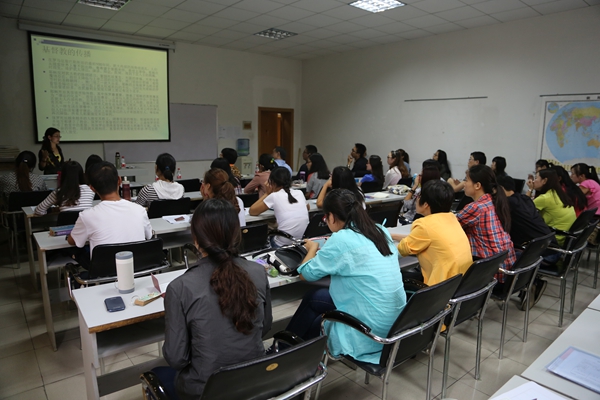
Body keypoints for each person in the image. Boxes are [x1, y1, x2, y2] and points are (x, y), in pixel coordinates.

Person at [158, 198, 272, 400]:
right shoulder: (258, 272)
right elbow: (264, 327)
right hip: (254, 383)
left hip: (206, 392)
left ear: (195, 239)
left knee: (159, 373)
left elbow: (176, 359)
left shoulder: (180, 288)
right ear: (236, 235)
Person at [283, 189, 406, 364]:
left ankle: (287, 354)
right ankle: (288, 351)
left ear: (332, 217)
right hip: (393, 324)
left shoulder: (341, 239)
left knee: (314, 317)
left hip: (368, 332)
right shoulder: (379, 230)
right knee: (315, 297)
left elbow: (305, 274)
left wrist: (312, 248)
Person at [67, 162, 152, 269]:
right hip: (137, 270)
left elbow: (72, 241)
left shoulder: (86, 216)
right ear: (119, 180)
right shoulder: (140, 210)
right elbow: (149, 235)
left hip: (103, 273)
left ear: (92, 188)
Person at [392, 180, 472, 286]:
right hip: (459, 284)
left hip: (438, 287)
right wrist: (392, 235)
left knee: (394, 276)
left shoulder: (424, 225)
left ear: (426, 204)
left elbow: (400, 251)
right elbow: (423, 239)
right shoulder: (451, 218)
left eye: (418, 196)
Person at [496, 175, 556, 309]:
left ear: (500, 189)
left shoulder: (507, 205)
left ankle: (531, 282)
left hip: (544, 254)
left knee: (500, 257)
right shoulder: (524, 199)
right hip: (551, 247)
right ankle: (531, 282)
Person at [456, 165, 516, 282]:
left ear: (477, 185)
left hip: (491, 273)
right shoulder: (494, 201)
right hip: (506, 268)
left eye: (466, 180)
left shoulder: (476, 208)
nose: (464, 184)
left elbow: (448, 227)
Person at [249, 167, 309, 246]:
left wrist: (267, 193)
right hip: (298, 241)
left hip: (281, 244)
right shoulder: (299, 192)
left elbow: (252, 211)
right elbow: (307, 208)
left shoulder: (274, 196)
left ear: (272, 182)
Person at [531, 169, 576, 246]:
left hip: (555, 238)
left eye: (536, 178)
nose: (533, 181)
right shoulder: (557, 193)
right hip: (565, 237)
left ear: (544, 181)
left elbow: (522, 208)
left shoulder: (545, 198)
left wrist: (530, 189)